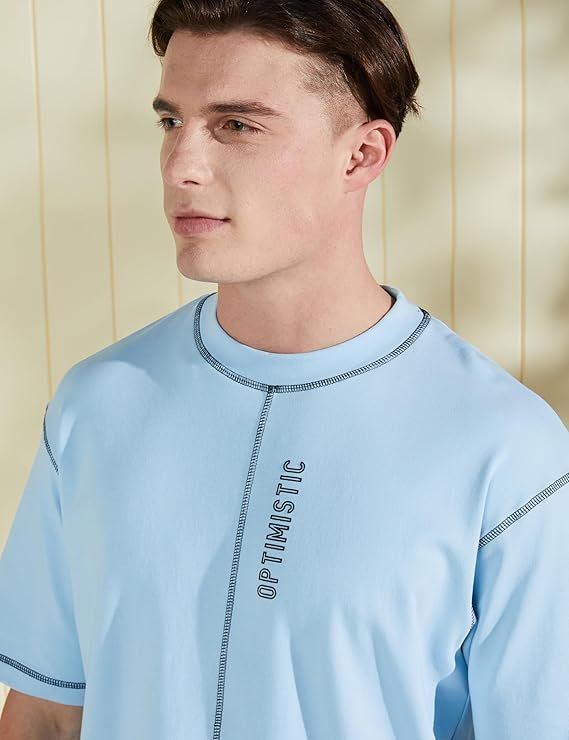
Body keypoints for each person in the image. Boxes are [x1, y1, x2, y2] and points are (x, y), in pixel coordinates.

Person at [1, 1, 568, 738]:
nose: (181, 166)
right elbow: (46, 716)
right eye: (171, 121)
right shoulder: (96, 405)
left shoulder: (505, 448)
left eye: (236, 125)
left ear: (361, 155)